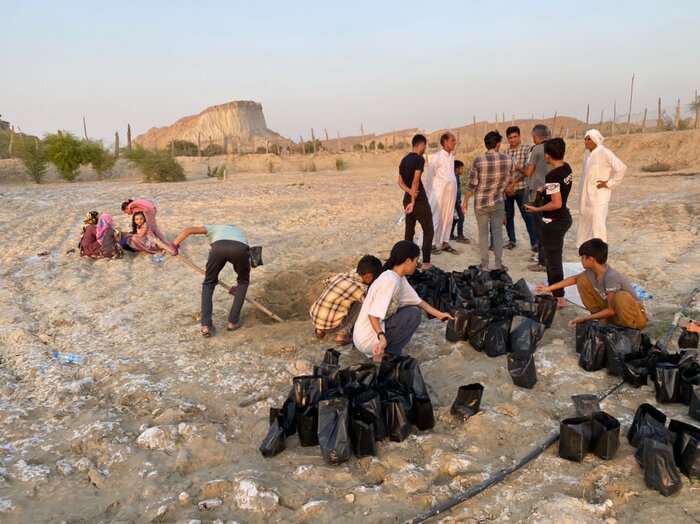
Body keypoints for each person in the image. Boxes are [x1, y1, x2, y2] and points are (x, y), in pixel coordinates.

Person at [353, 241, 453, 360]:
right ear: (408, 261)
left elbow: (418, 301)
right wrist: (382, 337)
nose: (417, 265)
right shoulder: (390, 280)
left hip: (366, 334)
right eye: (416, 261)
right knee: (413, 314)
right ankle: (388, 355)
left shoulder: (398, 278)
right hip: (366, 338)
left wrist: (441, 315)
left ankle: (383, 351)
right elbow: (372, 316)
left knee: (412, 309)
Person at [534, 238, 647, 329]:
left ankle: (626, 329)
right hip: (614, 313)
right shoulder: (592, 272)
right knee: (582, 280)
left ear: (591, 259)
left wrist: (585, 318)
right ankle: (604, 322)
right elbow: (574, 279)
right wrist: (548, 288)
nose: (581, 260)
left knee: (621, 297)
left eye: (583, 257)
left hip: (635, 318)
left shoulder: (611, 277)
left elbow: (611, 310)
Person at [172, 224, 250, 337]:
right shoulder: (240, 233)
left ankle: (206, 326)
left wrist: (174, 245)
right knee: (244, 282)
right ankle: (232, 323)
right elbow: (247, 263)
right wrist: (239, 288)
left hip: (218, 248)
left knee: (208, 283)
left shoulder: (215, 227)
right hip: (240, 249)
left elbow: (188, 230)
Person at [524, 138, 573, 308]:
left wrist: (537, 209)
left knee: (553, 260)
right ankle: (553, 291)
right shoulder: (566, 168)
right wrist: (546, 188)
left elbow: (556, 203)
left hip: (555, 220)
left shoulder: (553, 175)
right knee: (554, 257)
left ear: (547, 155)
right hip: (563, 217)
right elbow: (558, 190)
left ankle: (559, 297)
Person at [462, 131, 513, 271]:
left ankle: (484, 265)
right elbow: (510, 180)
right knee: (497, 233)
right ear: (497, 144)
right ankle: (498, 264)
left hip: (481, 203)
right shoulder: (508, 160)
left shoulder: (479, 160)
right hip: (498, 202)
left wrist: (465, 200)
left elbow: (472, 184)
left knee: (483, 233)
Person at [309, 255, 382, 345]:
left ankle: (319, 331)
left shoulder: (342, 276)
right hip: (331, 326)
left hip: (315, 318)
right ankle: (342, 336)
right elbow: (369, 307)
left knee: (336, 297)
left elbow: (325, 282)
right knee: (361, 304)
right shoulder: (360, 288)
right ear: (369, 277)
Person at [577, 129, 627, 246]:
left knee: (597, 224)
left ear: (595, 140)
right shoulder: (587, 154)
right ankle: (587, 250)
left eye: (588, 139)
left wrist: (609, 183)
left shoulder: (605, 152)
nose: (586, 142)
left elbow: (621, 168)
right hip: (586, 196)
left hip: (599, 196)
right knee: (585, 222)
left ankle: (600, 252)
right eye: (585, 139)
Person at [515, 124, 552, 272]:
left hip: (536, 191)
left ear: (536, 137)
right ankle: (549, 259)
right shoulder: (554, 147)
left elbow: (529, 172)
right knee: (548, 226)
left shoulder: (536, 149)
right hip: (551, 189)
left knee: (539, 227)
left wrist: (519, 168)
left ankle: (542, 262)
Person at [398, 134, 435, 269]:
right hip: (418, 201)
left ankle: (406, 262)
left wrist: (409, 193)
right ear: (422, 145)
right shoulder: (419, 159)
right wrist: (413, 200)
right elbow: (415, 181)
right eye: (425, 146)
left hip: (407, 199)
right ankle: (426, 262)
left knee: (409, 231)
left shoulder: (404, 160)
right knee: (429, 230)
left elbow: (400, 182)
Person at [502, 126, 537, 251]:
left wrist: (513, 183)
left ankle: (534, 242)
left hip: (523, 188)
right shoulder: (505, 153)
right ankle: (512, 240)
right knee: (508, 216)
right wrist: (507, 186)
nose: (513, 140)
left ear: (519, 136)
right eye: (510, 137)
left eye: (515, 137)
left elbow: (528, 170)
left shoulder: (527, 150)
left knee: (528, 216)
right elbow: (504, 172)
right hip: (508, 190)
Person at [425, 132, 459, 255]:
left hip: (450, 193)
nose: (454, 143)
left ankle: (445, 243)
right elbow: (430, 176)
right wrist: (430, 193)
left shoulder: (452, 157)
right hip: (438, 193)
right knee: (435, 217)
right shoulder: (437, 157)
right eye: (452, 140)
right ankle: (431, 244)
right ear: (445, 142)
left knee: (448, 217)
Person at [450, 160, 469, 243]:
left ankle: (450, 234)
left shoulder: (456, 177)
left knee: (455, 218)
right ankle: (460, 235)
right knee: (461, 217)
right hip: (455, 202)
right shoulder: (453, 178)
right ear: (456, 169)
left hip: (456, 201)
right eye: (461, 168)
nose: (462, 170)